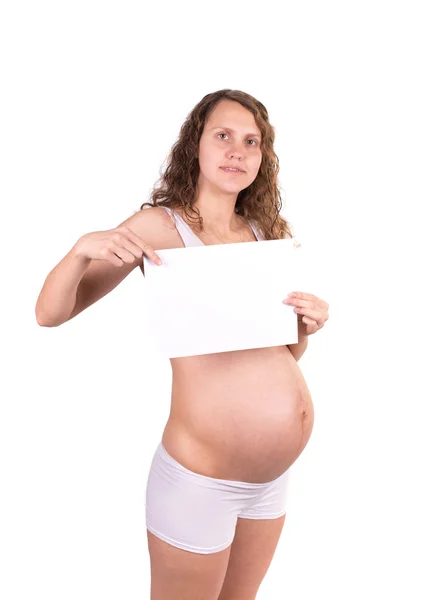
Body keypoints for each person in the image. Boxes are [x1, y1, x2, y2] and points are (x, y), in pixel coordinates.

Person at [35, 89, 329, 600]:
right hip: (201, 482)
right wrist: (81, 249)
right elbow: (50, 314)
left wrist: (302, 330)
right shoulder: (159, 229)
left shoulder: (262, 233)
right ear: (196, 145)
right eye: (223, 136)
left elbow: (275, 359)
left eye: (251, 141)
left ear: (263, 157)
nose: (238, 151)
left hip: (268, 483)